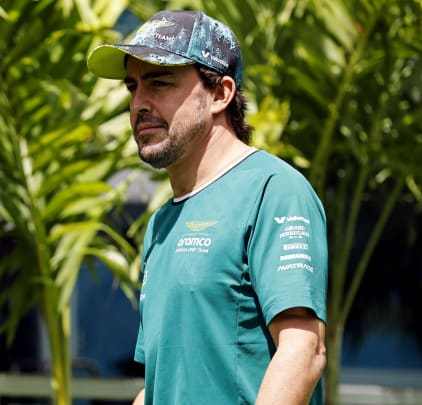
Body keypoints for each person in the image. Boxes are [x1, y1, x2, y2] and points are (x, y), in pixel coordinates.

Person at [87, 10, 328, 404]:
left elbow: (303, 349)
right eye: (132, 87)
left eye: (159, 83)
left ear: (220, 93)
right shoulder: (163, 223)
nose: (139, 104)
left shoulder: (273, 190)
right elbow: (164, 384)